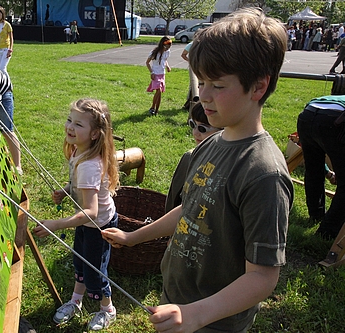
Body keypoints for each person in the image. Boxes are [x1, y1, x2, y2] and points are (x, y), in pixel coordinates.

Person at [102, 8, 293, 332]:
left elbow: (263, 277)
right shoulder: (209, 144)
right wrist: (134, 238)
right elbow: (189, 210)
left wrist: (198, 314)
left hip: (214, 321)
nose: (202, 96)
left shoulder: (264, 175)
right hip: (178, 301)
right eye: (201, 82)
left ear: (259, 87)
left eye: (217, 85)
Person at [33, 98, 119, 331]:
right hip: (87, 223)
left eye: (79, 124)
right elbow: (80, 186)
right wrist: (67, 190)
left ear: (94, 134)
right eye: (70, 120)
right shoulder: (78, 152)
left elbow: (90, 212)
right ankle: (75, 302)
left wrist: (56, 224)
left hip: (99, 227)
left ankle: (107, 309)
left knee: (95, 274)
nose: (70, 127)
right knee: (79, 264)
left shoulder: (90, 165)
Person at [297, 95, 345, 243]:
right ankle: (327, 234)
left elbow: (313, 150)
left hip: (307, 115)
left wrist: (328, 172)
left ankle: (316, 215)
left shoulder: (336, 98)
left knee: (313, 171)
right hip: (335, 119)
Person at [165, 103, 222, 213]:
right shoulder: (189, 158)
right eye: (193, 124)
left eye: (203, 128)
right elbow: (173, 199)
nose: (195, 132)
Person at [146, 36, 172, 116]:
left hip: (162, 74)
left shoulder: (167, 52)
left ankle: (156, 110)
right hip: (155, 74)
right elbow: (147, 63)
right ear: (163, 45)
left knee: (159, 92)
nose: (167, 49)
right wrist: (151, 73)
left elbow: (165, 60)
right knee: (159, 90)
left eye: (169, 47)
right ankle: (153, 107)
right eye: (167, 47)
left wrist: (167, 66)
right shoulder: (155, 52)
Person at [181, 40, 198, 111]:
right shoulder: (191, 44)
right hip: (194, 67)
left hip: (202, 66)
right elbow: (183, 54)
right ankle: (189, 103)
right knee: (193, 85)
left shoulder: (204, 43)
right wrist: (190, 61)